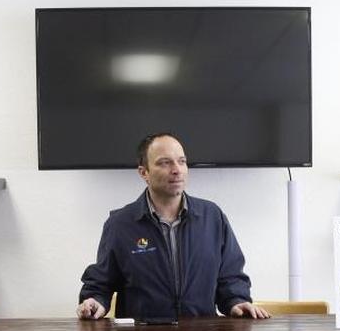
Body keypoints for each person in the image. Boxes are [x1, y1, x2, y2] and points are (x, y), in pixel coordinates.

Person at [77, 133, 270, 320]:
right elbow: (102, 282)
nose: (177, 169)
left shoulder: (212, 216)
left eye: (182, 161)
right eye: (165, 163)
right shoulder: (120, 223)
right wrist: (94, 300)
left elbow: (230, 276)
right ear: (144, 172)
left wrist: (236, 301)